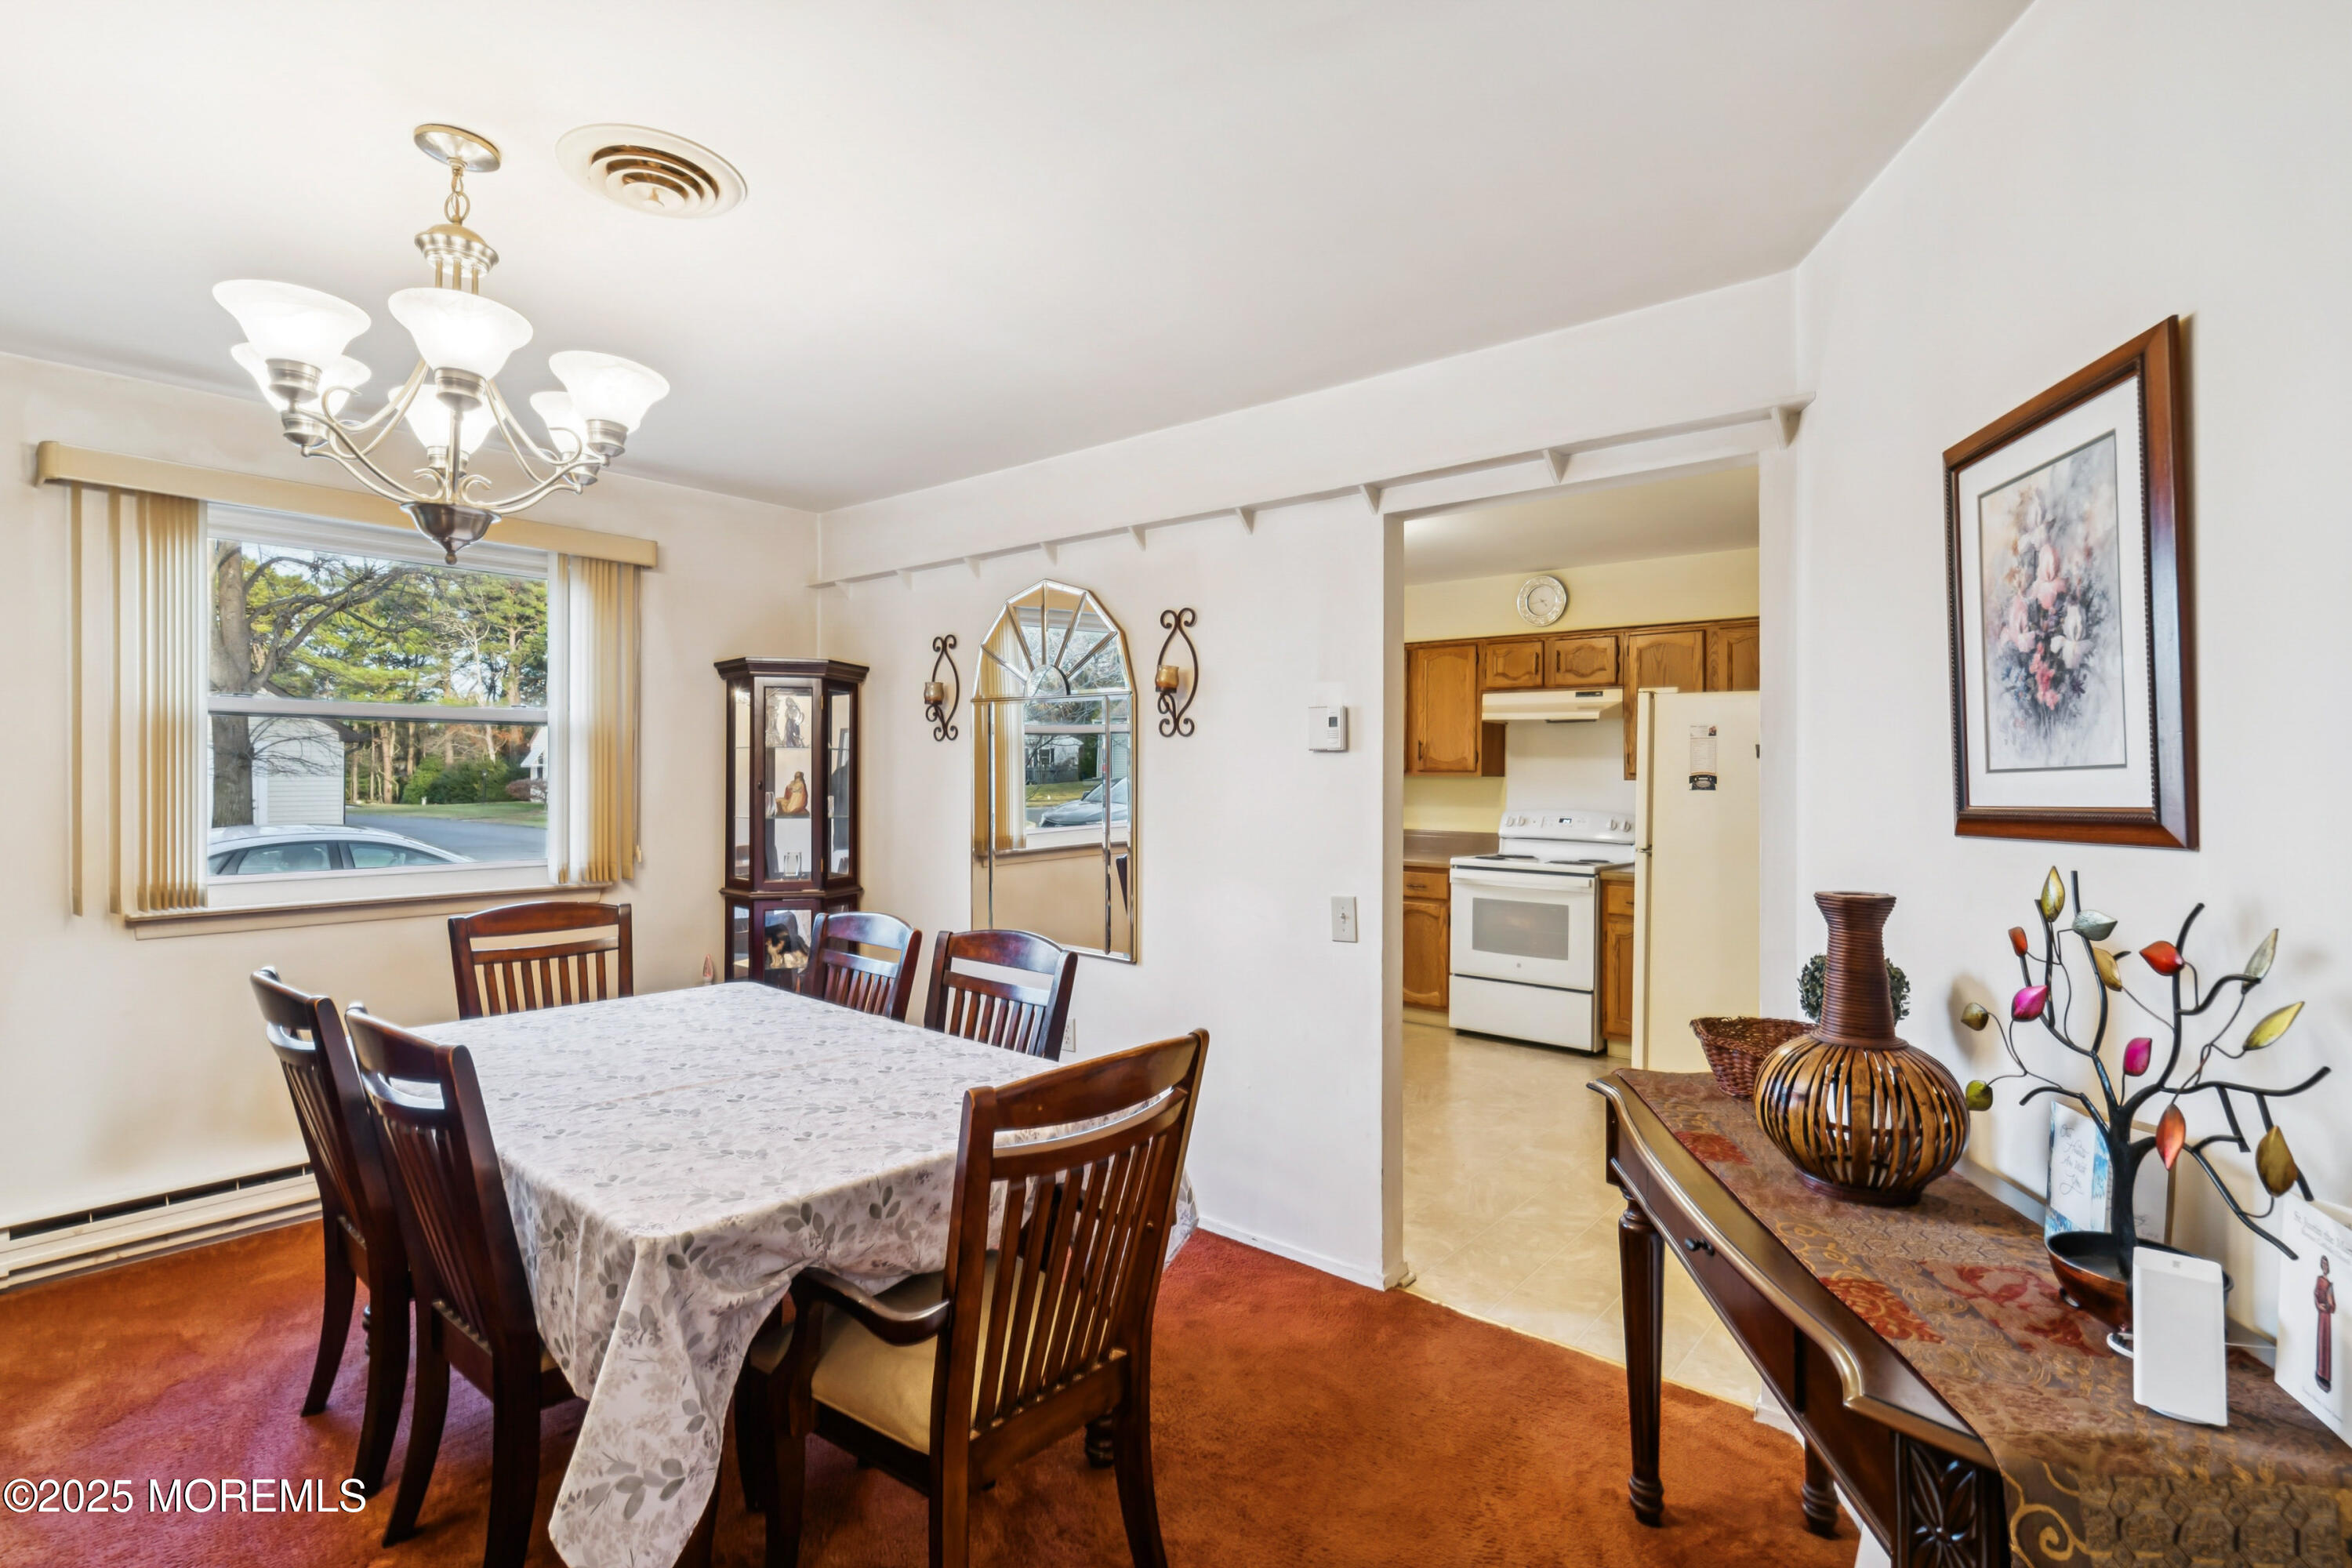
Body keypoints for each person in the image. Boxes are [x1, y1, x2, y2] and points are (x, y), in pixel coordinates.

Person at [2317, 1256, 2337, 1394]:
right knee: (2321, 1343)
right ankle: (2320, 1372)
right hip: (2322, 1315)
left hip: (2328, 1317)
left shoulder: (2330, 1284)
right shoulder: (2320, 1280)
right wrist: (2320, 1305)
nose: (2325, 1266)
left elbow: (2333, 1304)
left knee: (2327, 1345)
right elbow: (2316, 1295)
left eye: (2327, 1264)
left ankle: (2327, 1376)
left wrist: (2330, 1303)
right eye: (2323, 1264)